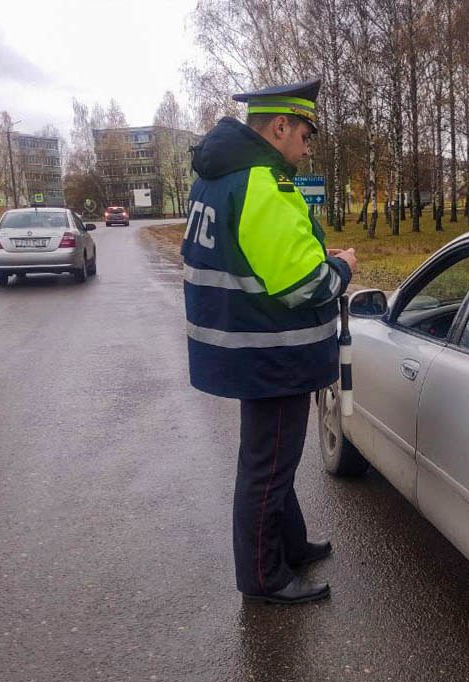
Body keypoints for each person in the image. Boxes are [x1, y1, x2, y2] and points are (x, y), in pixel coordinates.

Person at [181, 79, 358, 605]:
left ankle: (292, 544)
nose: (306, 146)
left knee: (269, 457)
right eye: (305, 132)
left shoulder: (217, 177)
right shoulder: (262, 181)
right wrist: (343, 268)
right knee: (267, 467)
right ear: (279, 125)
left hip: (244, 345)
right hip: (271, 352)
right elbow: (304, 284)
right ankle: (265, 577)